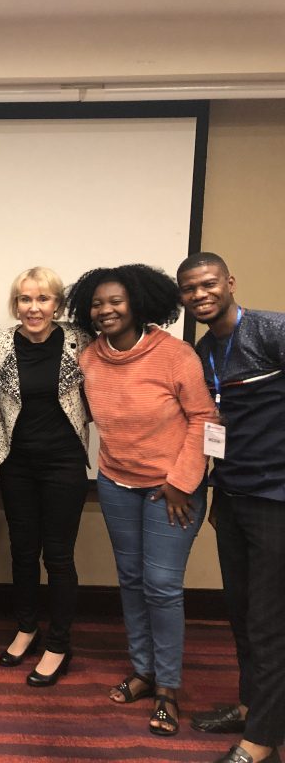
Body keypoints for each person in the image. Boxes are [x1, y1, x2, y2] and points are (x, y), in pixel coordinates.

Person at [68, 263, 215, 737]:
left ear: (137, 303)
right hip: (116, 484)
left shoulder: (175, 355)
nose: (105, 310)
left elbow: (205, 419)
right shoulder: (89, 358)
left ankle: (167, 687)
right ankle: (143, 670)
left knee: (162, 586)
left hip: (171, 489)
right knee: (131, 581)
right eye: (97, 303)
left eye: (116, 301)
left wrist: (183, 481)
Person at [177, 252, 285, 763]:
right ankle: (250, 705)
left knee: (268, 620)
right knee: (241, 613)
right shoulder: (203, 351)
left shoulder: (271, 330)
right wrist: (218, 492)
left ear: (229, 283)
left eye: (208, 284)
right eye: (190, 289)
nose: (200, 295)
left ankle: (262, 739)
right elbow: (217, 430)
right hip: (234, 495)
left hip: (276, 499)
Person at [0, 267, 91, 687]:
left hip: (64, 463)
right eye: (25, 299)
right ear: (16, 304)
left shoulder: (80, 340)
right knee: (23, 551)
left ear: (57, 304)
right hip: (17, 463)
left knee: (59, 557)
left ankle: (59, 643)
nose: (34, 307)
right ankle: (26, 628)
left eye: (43, 299)